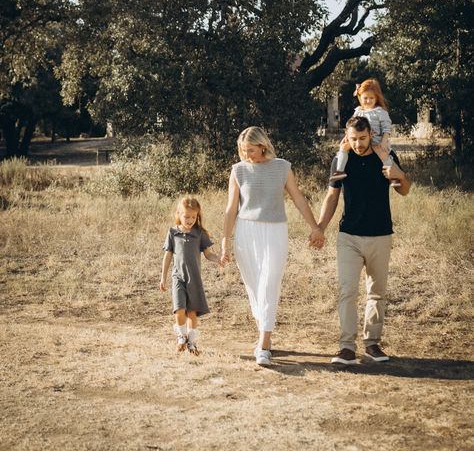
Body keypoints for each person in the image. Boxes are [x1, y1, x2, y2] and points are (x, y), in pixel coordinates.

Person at [221, 126, 324, 367]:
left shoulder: (282, 167)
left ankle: (264, 344)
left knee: (270, 283)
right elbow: (231, 208)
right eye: (243, 151)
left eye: (251, 150)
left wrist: (315, 226)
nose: (247, 155)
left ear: (263, 146)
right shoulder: (238, 171)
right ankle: (264, 334)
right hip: (247, 232)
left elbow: (298, 197)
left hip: (275, 231)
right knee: (255, 287)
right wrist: (225, 241)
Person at [318, 116, 410, 364]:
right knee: (347, 291)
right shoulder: (341, 160)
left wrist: (397, 172)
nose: (358, 144)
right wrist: (320, 228)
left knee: (376, 293)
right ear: (346, 137)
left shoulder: (384, 156)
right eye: (353, 139)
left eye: (362, 138)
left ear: (370, 134)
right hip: (349, 235)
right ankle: (346, 347)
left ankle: (372, 344)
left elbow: (404, 189)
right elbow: (332, 197)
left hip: (380, 235)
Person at [160, 196, 225, 355]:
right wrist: (163, 277)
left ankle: (192, 343)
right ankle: (181, 337)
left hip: (194, 279)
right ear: (178, 214)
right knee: (179, 309)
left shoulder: (200, 233)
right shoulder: (173, 232)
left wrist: (219, 259)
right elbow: (168, 255)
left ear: (198, 217)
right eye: (186, 216)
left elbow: (208, 254)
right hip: (178, 277)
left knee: (192, 312)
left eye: (193, 217)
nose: (190, 220)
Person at [330, 78, 400, 187]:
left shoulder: (380, 112)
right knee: (343, 149)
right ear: (360, 98)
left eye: (371, 98)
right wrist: (347, 136)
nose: (368, 101)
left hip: (377, 141)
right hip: (360, 139)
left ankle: (394, 178)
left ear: (376, 97)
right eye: (365, 98)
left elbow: (387, 129)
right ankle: (339, 171)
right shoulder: (358, 111)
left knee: (384, 156)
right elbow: (352, 125)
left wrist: (384, 142)